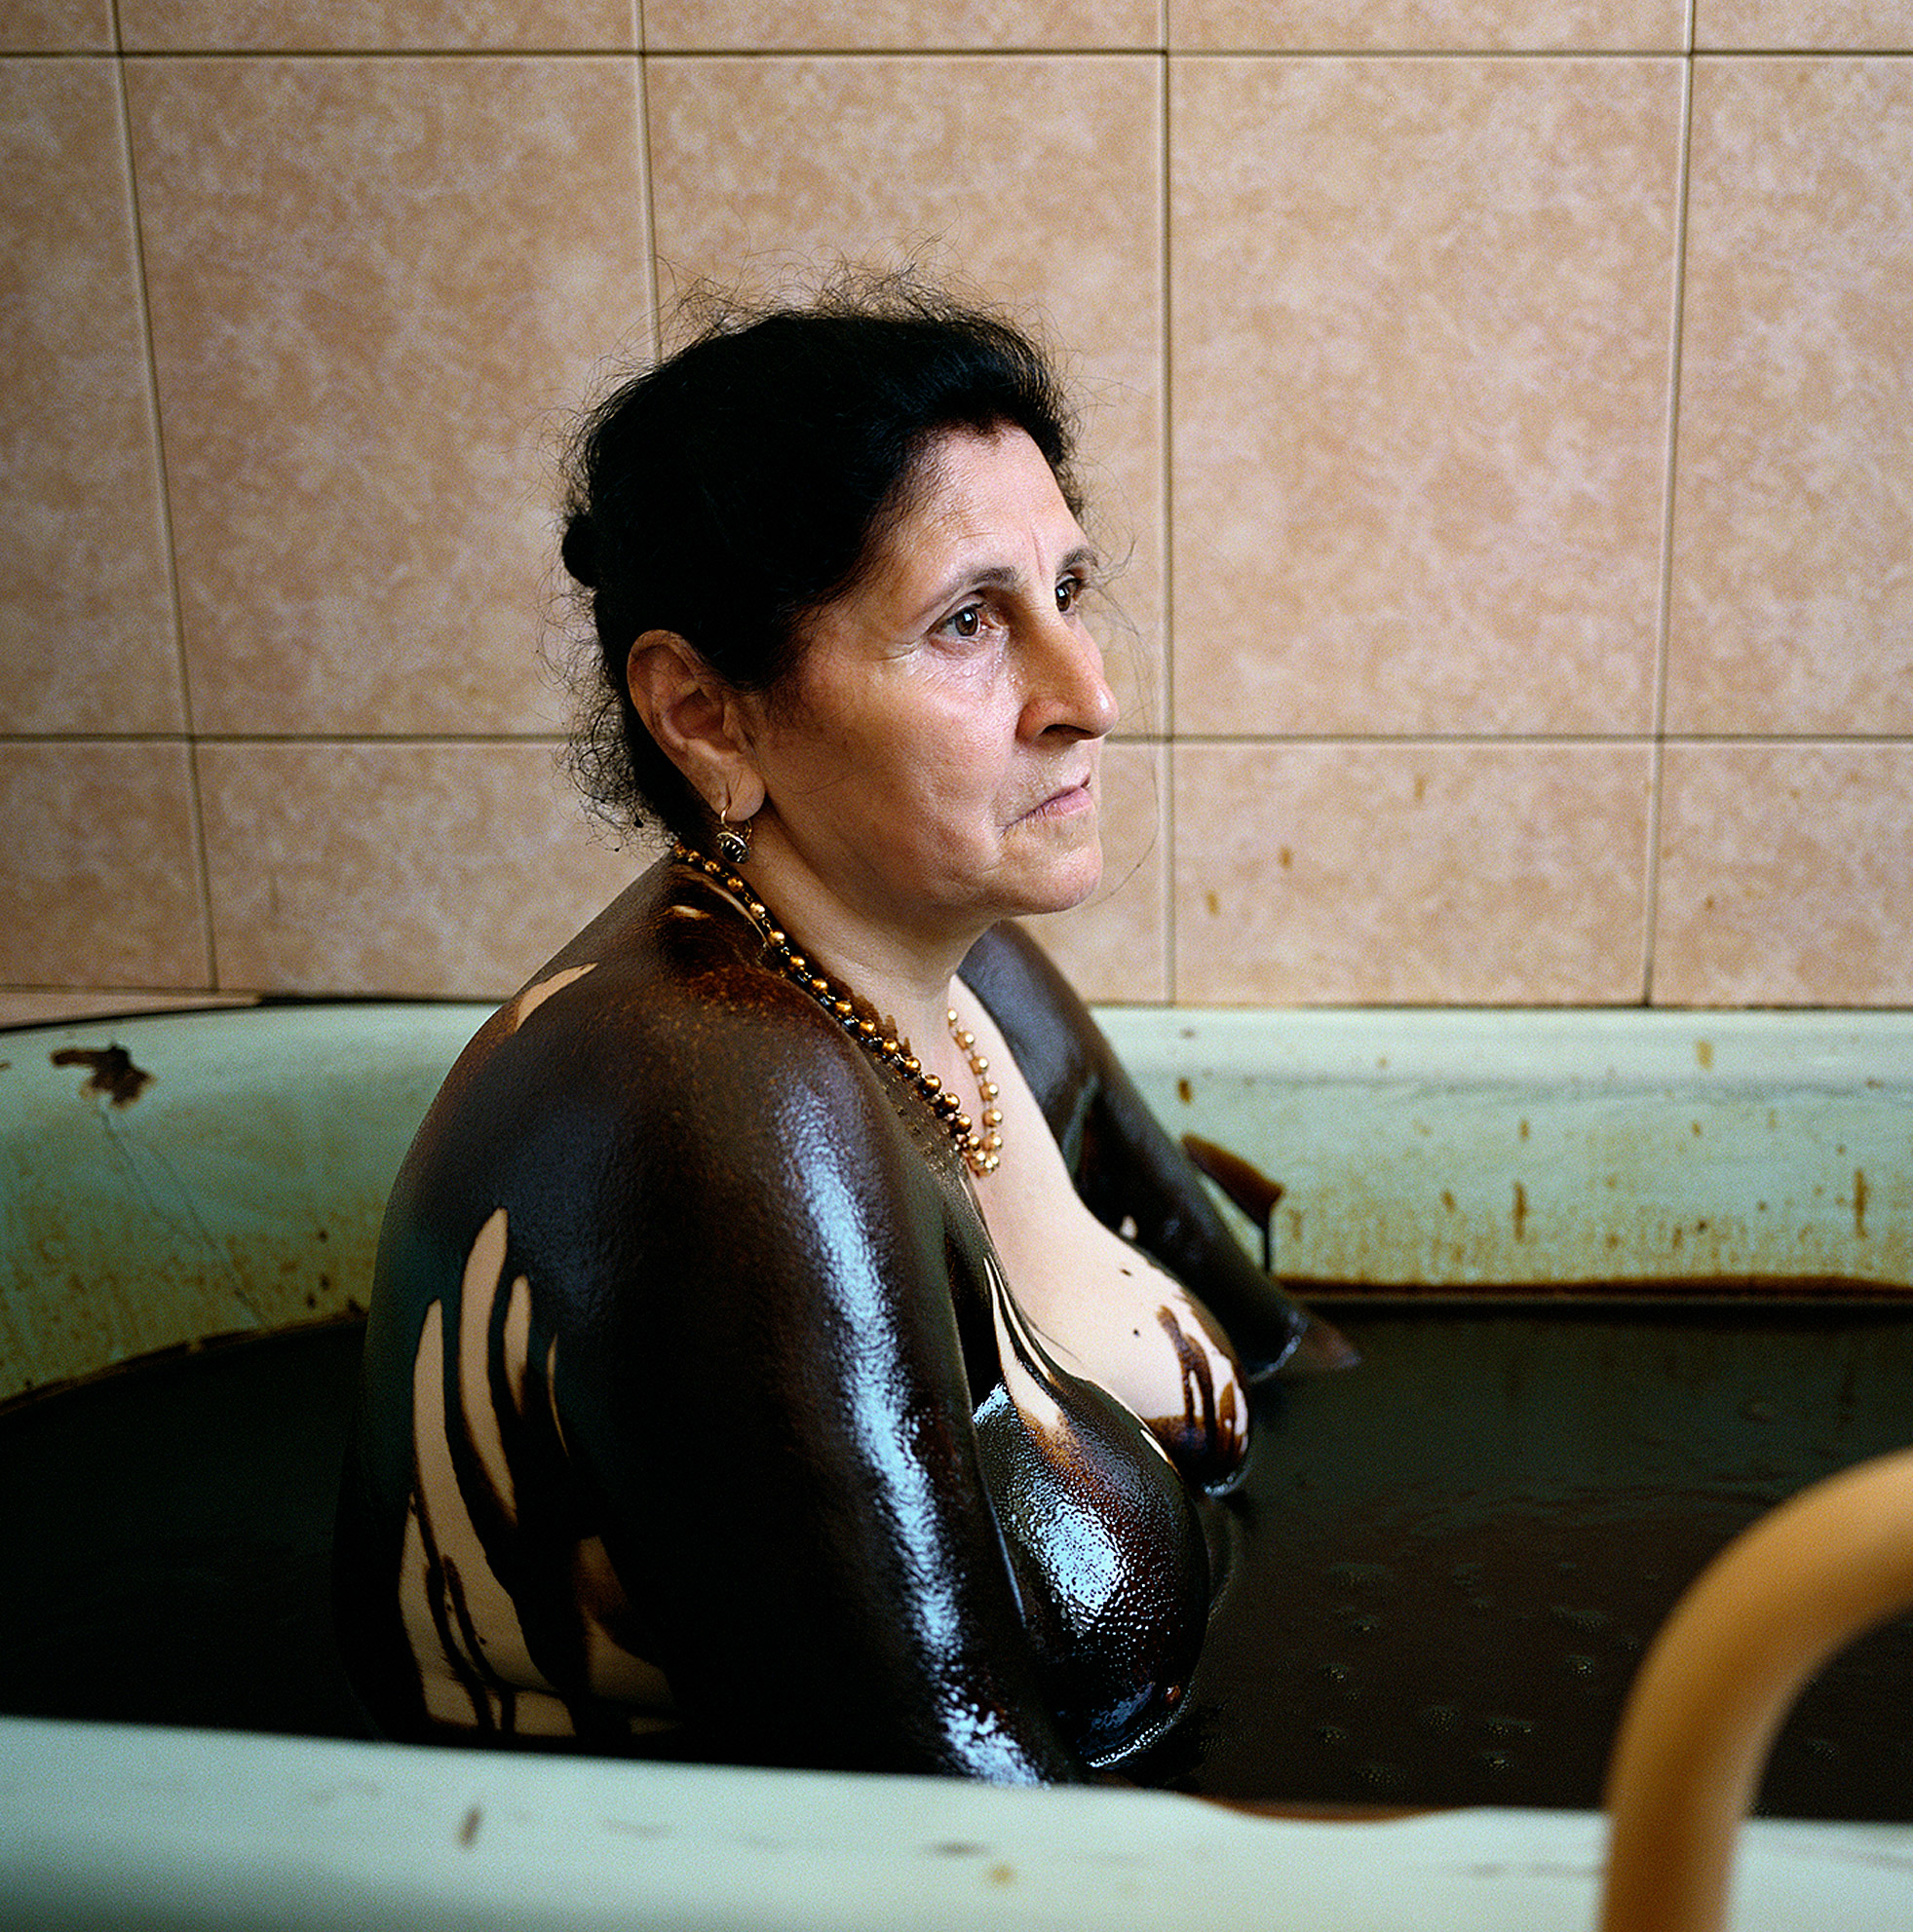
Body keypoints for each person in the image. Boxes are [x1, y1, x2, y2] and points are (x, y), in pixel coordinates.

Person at [331, 278, 1345, 1782]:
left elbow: (1285, 1359)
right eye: (966, 624)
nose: (1093, 695)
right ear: (707, 716)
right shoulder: (725, 1104)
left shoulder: (955, 970)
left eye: (1067, 592)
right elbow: (950, 1816)